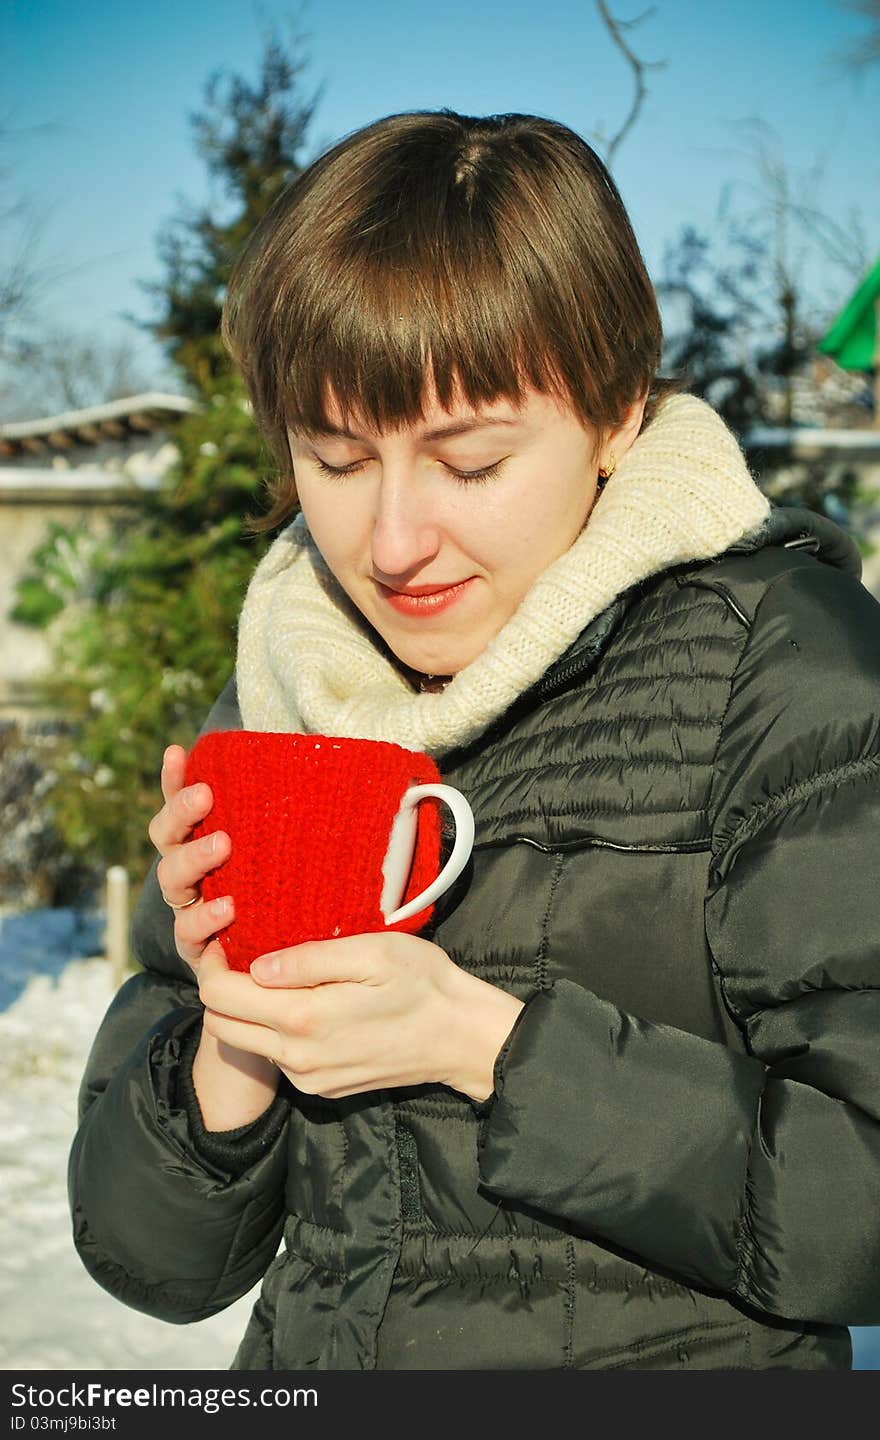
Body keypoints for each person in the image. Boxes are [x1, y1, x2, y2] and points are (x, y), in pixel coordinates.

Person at [68, 108, 880, 1372]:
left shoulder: (776, 664)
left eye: (469, 460)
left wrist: (493, 1049)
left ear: (613, 414)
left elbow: (863, 1204)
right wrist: (229, 1033)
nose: (391, 544)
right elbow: (152, 1262)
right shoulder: (294, 679)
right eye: (336, 459)